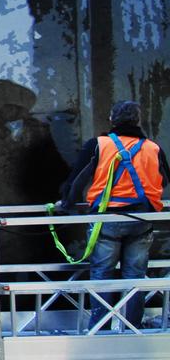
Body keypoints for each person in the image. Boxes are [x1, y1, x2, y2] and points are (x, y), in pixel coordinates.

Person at [58, 101, 170, 331]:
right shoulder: (152, 148)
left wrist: (67, 203)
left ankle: (101, 327)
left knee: (102, 274)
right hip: (141, 220)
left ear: (112, 119)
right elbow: (164, 179)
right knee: (135, 277)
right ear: (137, 120)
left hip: (107, 220)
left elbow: (77, 178)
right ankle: (132, 327)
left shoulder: (99, 145)